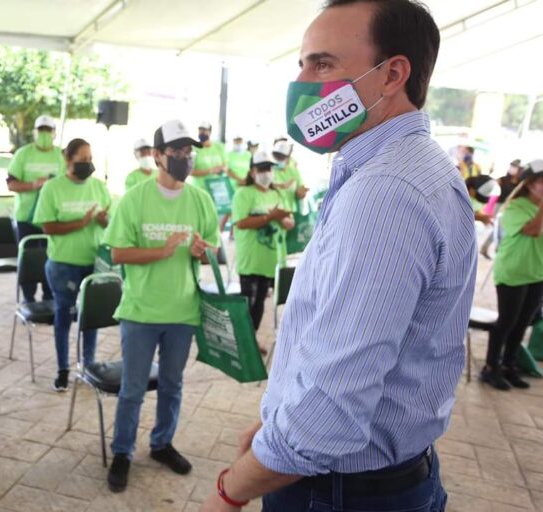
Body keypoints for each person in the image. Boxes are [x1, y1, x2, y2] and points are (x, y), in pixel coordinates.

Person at [201, 1, 475, 511]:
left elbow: (331, 410)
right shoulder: (410, 169)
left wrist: (230, 489)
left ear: (392, 74)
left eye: (322, 64)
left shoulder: (387, 190)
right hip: (380, 480)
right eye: (302, 64)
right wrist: (277, 417)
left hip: (337, 493)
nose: (303, 82)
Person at [104, 119, 219, 493]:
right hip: (140, 312)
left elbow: (212, 251)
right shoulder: (134, 199)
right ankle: (122, 452)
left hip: (183, 312)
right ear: (157, 156)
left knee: (172, 384)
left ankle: (162, 444)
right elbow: (119, 252)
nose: (184, 159)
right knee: (133, 389)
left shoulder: (200, 200)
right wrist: (162, 250)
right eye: (176, 152)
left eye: (188, 153)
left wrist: (204, 253)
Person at [33, 138, 110, 392]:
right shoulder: (53, 188)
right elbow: (48, 226)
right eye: (82, 160)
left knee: (91, 317)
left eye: (90, 159)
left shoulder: (99, 187)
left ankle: (89, 365)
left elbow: (110, 223)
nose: (88, 164)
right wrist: (80, 222)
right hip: (63, 264)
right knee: (64, 314)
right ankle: (63, 369)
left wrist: (102, 220)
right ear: (68, 159)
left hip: (93, 263)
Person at [480, 160, 543, 390]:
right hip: (513, 271)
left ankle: (509, 366)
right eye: (540, 182)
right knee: (507, 322)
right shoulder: (515, 206)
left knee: (522, 323)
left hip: (536, 272)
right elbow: (533, 230)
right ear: (529, 184)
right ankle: (490, 368)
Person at [231, 151, 294, 340]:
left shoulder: (276, 193)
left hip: (271, 259)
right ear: (252, 172)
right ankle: (243, 346)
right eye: (262, 169)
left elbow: (290, 221)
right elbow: (240, 223)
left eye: (269, 169)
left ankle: (251, 343)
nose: (266, 173)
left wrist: (284, 220)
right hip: (251, 260)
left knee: (259, 304)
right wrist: (269, 217)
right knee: (247, 305)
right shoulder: (243, 194)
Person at [7, 114, 66, 303]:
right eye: (41, 130)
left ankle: (49, 297)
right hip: (26, 217)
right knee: (28, 258)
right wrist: (34, 185)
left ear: (55, 133)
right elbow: (11, 184)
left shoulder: (62, 156)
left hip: (52, 218)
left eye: (48, 130)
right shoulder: (23, 154)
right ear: (35, 132)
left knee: (52, 258)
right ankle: (28, 298)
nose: (45, 134)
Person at [272, 140, 308, 213]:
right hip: (275, 213)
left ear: (288, 158)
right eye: (277, 157)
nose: (279, 160)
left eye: (282, 158)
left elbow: (300, 192)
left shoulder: (294, 171)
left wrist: (301, 193)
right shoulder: (269, 171)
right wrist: (280, 186)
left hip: (293, 211)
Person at [190, 121, 228, 189]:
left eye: (204, 130)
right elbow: (190, 172)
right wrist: (211, 171)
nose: (202, 132)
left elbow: (225, 165)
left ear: (210, 132)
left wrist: (222, 169)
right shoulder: (193, 149)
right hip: (200, 188)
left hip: (217, 187)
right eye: (200, 130)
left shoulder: (219, 146)